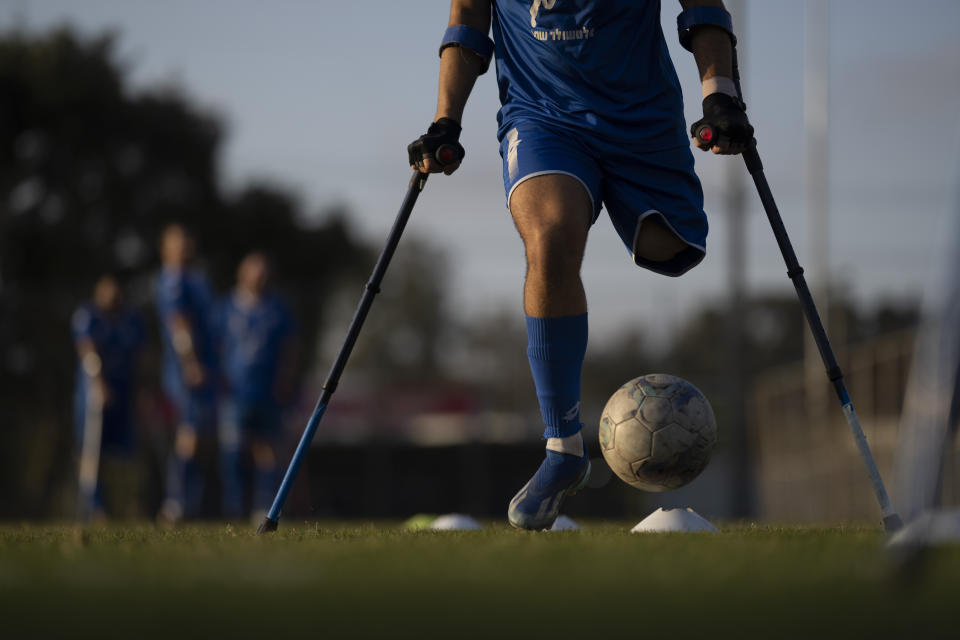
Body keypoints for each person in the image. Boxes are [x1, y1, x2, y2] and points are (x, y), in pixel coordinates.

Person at [407, 0, 753, 529]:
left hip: (639, 115)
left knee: (670, 248)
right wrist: (445, 120)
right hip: (542, 114)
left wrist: (720, 96)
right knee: (550, 239)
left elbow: (702, 5)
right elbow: (468, 18)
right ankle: (563, 445)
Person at [218, 252, 296, 519]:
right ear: (242, 273)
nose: (259, 276)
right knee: (233, 451)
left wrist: (284, 379)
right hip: (235, 391)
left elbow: (288, 349)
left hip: (267, 391)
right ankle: (233, 508)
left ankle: (265, 507)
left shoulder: (278, 309)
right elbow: (216, 346)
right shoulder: (226, 308)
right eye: (254, 270)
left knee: (268, 450)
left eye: (264, 271)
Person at [154, 223, 219, 522]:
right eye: (179, 245)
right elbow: (178, 323)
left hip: (208, 370)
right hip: (186, 372)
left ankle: (190, 503)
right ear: (166, 249)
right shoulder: (172, 281)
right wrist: (190, 362)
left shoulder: (198, 279)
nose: (186, 249)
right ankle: (176, 503)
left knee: (201, 438)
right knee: (188, 434)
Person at [72, 274, 145, 517]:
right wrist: (98, 381)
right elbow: (87, 349)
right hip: (94, 394)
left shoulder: (132, 320)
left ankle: (128, 505)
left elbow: (139, 356)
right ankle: (94, 506)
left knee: (125, 453)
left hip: (124, 392)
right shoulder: (87, 316)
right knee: (92, 450)